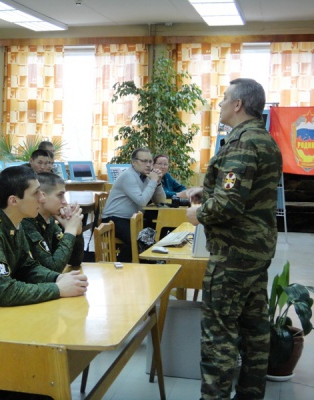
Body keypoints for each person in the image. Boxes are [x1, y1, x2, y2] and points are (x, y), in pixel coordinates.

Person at [185, 78, 282, 400]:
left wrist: (199, 213)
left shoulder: (242, 142)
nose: (221, 103)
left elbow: (229, 204)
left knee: (219, 334)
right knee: (254, 331)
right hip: (255, 251)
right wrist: (207, 192)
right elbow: (249, 192)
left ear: (238, 104)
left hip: (233, 255)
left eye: (225, 98)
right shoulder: (265, 140)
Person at [0, 165, 89, 319]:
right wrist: (58, 289)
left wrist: (57, 278)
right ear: (13, 200)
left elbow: (27, 266)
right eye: (36, 193)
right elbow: (4, 292)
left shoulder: (13, 221)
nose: (42, 198)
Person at [101, 148, 165, 262]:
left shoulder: (146, 176)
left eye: (150, 161)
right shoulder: (128, 176)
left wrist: (158, 182)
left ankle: (146, 264)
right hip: (114, 218)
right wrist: (153, 181)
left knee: (155, 231)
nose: (148, 165)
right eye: (144, 161)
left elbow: (160, 201)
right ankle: (120, 267)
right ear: (133, 162)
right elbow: (142, 201)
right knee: (136, 240)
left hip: (131, 219)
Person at [20, 172, 84, 272]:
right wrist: (70, 231)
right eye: (60, 195)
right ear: (42, 196)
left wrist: (77, 232)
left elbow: (75, 261)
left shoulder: (49, 221)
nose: (65, 202)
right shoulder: (26, 222)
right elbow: (52, 268)